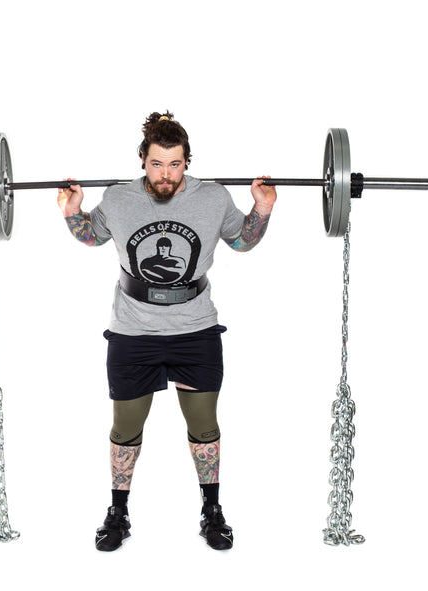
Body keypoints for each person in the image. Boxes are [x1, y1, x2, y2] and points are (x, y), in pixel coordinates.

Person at [57, 111, 276, 551]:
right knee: (125, 427)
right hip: (132, 330)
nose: (166, 174)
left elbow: (241, 242)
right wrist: (72, 212)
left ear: (186, 162)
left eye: (175, 164)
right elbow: (91, 237)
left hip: (195, 329)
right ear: (142, 159)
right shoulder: (117, 199)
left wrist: (262, 209)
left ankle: (211, 510)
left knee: (203, 424)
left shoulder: (212, 198)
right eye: (157, 163)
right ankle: (118, 512)